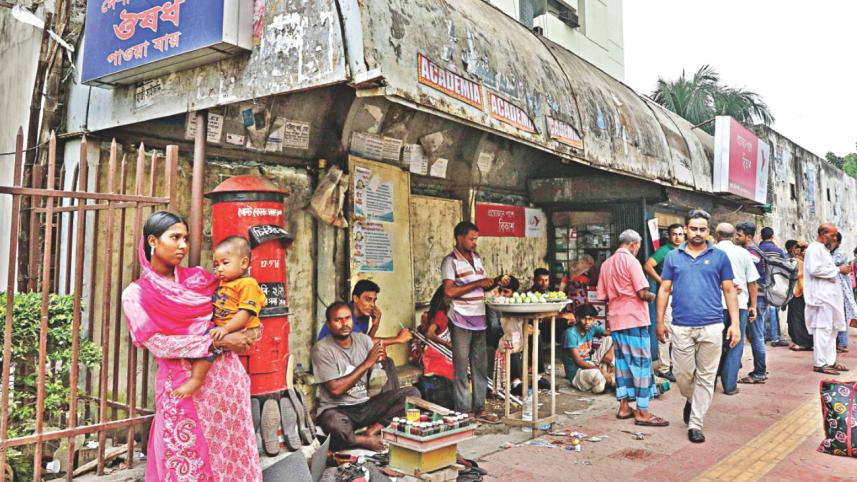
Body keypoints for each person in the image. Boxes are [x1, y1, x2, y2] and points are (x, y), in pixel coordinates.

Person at [122, 211, 262, 480]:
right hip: (183, 388)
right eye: (175, 237)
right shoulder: (136, 294)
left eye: (186, 238)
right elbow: (160, 345)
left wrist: (246, 333)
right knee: (186, 463)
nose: (183, 245)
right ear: (152, 241)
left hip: (227, 386)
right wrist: (217, 341)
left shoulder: (201, 279)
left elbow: (239, 313)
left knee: (232, 459)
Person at [657, 209, 740, 444]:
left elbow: (729, 290)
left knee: (706, 376)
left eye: (702, 229)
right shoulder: (673, 257)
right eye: (693, 228)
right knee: (682, 374)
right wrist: (660, 322)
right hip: (681, 326)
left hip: (712, 326)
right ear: (686, 229)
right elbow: (664, 289)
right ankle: (692, 399)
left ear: (709, 231)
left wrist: (734, 324)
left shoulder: (720, 257)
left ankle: (696, 423)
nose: (697, 233)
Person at [312, 302, 421, 451]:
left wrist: (379, 365)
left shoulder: (363, 340)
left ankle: (372, 431)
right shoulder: (322, 349)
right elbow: (335, 390)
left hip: (366, 404)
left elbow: (375, 381)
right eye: (338, 320)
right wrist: (366, 363)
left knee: (412, 394)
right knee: (333, 424)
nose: (344, 324)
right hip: (339, 409)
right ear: (329, 324)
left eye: (347, 318)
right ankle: (361, 440)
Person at [171, 236, 266, 398]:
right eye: (216, 265)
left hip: (235, 329)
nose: (219, 269)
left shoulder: (247, 284)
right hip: (222, 328)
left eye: (225, 263)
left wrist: (225, 329)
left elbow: (245, 313)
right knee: (203, 345)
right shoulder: (224, 283)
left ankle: (196, 380)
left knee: (208, 350)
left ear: (243, 263)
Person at [597, 229, 667, 427]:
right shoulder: (631, 261)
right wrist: (659, 296)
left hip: (617, 320)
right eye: (637, 246)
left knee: (623, 365)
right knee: (642, 366)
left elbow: (602, 296)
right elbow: (643, 293)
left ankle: (624, 406)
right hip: (635, 319)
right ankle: (643, 412)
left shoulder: (606, 264)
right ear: (633, 244)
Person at [441, 221, 505, 423]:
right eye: (471, 239)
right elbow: (449, 291)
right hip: (460, 318)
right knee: (461, 366)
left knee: (479, 366)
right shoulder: (450, 261)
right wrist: (477, 283)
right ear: (460, 238)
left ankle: (480, 407)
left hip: (479, 318)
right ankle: (464, 409)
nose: (475, 242)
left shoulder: (476, 258)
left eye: (476, 238)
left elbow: (482, 287)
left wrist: (495, 282)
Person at [318, 280, 412, 393]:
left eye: (374, 300)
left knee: (385, 361)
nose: (372, 304)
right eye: (368, 299)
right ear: (355, 298)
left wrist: (375, 325)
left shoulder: (363, 316)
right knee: (380, 364)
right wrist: (398, 339)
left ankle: (391, 399)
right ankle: (389, 400)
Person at [713, 223, 759, 395]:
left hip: (714, 305)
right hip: (738, 305)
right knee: (735, 344)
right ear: (733, 236)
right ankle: (730, 385)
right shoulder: (743, 254)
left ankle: (709, 382)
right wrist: (753, 306)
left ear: (716, 234)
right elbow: (752, 282)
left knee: (714, 344)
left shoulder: (711, 252)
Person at [804, 224, 849, 375]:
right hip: (821, 297)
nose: (835, 238)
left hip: (830, 297)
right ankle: (820, 363)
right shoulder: (814, 248)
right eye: (833, 235)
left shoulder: (824, 249)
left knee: (832, 330)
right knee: (822, 330)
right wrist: (838, 269)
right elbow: (814, 270)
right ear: (823, 233)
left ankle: (830, 361)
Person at [644, 224, 685, 382]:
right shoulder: (665, 250)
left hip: (683, 296)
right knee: (666, 332)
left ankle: (675, 365)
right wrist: (662, 281)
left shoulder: (685, 249)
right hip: (668, 295)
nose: (677, 237)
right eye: (674, 234)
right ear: (669, 235)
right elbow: (648, 265)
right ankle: (664, 368)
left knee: (679, 332)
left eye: (680, 234)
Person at [734, 222, 769, 384]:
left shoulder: (751, 254)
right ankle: (759, 370)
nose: (736, 237)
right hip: (758, 299)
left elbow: (752, 282)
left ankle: (759, 372)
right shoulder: (756, 251)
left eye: (739, 235)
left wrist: (752, 305)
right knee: (755, 336)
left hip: (756, 300)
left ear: (748, 237)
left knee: (756, 337)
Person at [563, 303, 614, 394]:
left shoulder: (592, 328)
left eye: (590, 319)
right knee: (598, 377)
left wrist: (611, 351)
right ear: (577, 318)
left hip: (591, 363)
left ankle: (607, 380)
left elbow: (611, 334)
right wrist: (601, 370)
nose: (587, 322)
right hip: (577, 372)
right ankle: (606, 381)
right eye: (584, 318)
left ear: (594, 319)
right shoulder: (570, 334)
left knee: (610, 339)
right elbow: (579, 362)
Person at [758, 227, 790, 348]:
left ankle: (763, 336)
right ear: (772, 236)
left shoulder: (758, 250)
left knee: (761, 312)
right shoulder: (778, 251)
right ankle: (775, 337)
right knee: (773, 309)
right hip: (774, 284)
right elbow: (785, 266)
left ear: (761, 236)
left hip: (760, 284)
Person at [829, 232, 856, 352]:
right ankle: (838, 342)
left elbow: (829, 264)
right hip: (833, 288)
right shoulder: (831, 252)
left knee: (841, 315)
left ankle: (843, 342)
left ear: (838, 242)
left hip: (841, 289)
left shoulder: (840, 253)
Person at [785, 240, 813, 351]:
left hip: (799, 293)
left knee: (797, 318)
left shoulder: (799, 262)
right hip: (802, 292)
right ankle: (801, 341)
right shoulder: (800, 262)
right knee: (798, 318)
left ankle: (801, 342)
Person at [423, 286, 454, 380]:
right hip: (436, 354)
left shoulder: (444, 313)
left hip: (438, 352)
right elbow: (429, 334)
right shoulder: (441, 315)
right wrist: (446, 344)